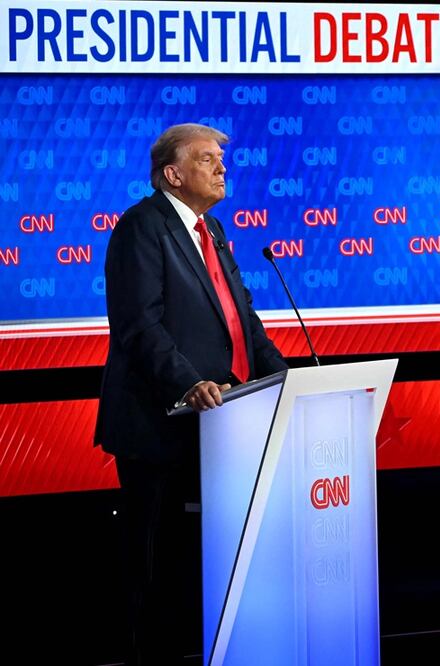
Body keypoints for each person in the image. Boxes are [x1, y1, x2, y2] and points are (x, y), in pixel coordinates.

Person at [95, 123, 288, 664]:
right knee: (153, 565)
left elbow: (243, 321)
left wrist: (290, 378)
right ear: (172, 174)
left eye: (220, 159)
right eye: (207, 159)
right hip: (160, 426)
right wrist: (189, 382)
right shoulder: (142, 226)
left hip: (220, 423)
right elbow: (140, 326)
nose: (221, 167)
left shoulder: (213, 230)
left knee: (198, 565)